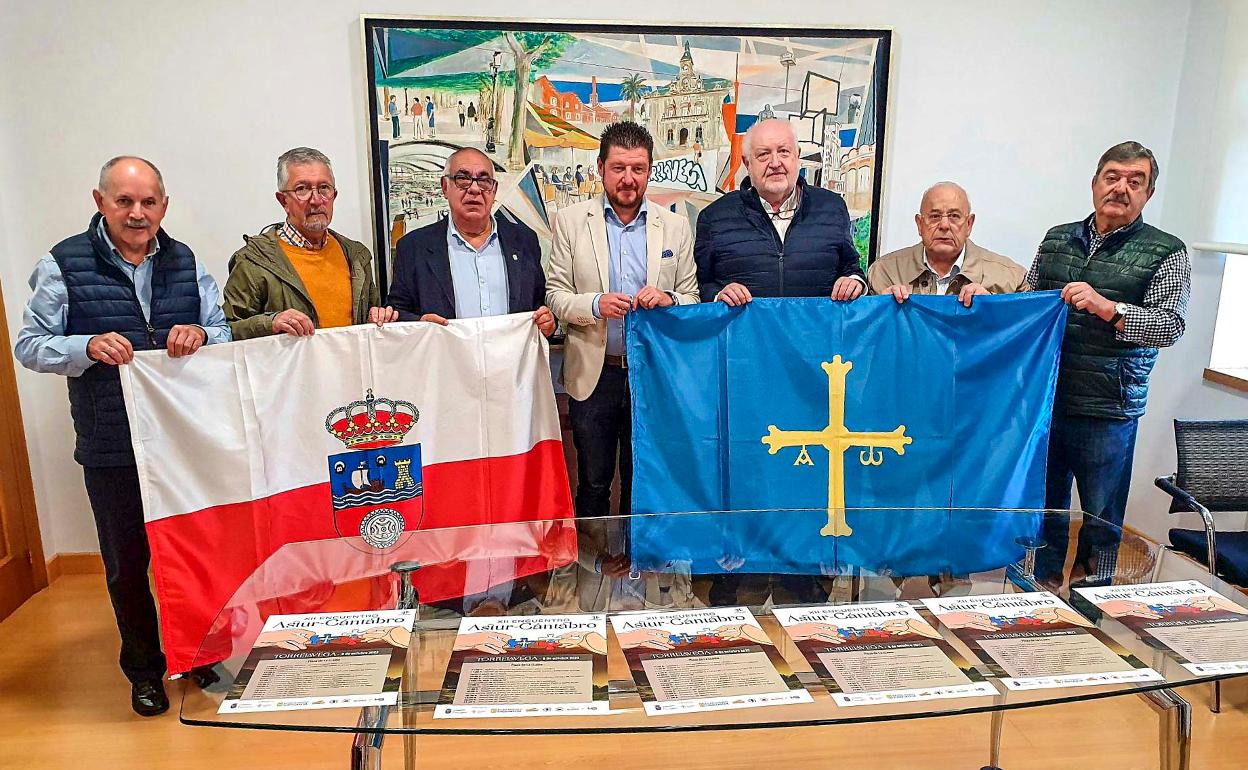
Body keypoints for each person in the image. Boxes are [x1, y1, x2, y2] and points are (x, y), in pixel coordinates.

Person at [13, 156, 230, 715]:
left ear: (164, 205)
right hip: (112, 444)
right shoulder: (63, 263)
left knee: (192, 552)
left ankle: (197, 652)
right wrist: (82, 347)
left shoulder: (186, 263)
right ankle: (145, 669)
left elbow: (225, 330)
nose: (138, 214)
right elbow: (30, 344)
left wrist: (202, 332)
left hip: (183, 443)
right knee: (127, 564)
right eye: (124, 201)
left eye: (149, 202)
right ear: (100, 200)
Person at [1030, 141, 1190, 585]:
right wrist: (993, 302)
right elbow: (1029, 302)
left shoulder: (1165, 251)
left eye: (1134, 182)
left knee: (1101, 519)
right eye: (1113, 177)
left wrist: (1110, 308)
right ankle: (1037, 596)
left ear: (1148, 194)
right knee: (1044, 510)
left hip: (1108, 408)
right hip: (1047, 400)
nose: (1121, 188)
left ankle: (1092, 604)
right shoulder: (1057, 238)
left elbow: (1171, 326)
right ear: (1095, 183)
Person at [546, 121, 700, 518]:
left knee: (644, 481)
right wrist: (595, 304)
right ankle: (592, 571)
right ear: (600, 168)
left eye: (638, 168)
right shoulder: (570, 221)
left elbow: (692, 297)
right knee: (593, 482)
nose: (628, 179)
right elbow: (556, 295)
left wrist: (669, 299)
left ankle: (637, 570)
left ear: (649, 170)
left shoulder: (676, 226)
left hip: (651, 376)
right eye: (618, 168)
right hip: (594, 375)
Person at [222, 147, 396, 338]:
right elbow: (228, 332)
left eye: (324, 188)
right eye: (302, 189)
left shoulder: (356, 256)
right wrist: (270, 323)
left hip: (351, 367)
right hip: (290, 368)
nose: (316, 200)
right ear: (283, 201)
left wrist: (376, 318)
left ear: (333, 196)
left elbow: (366, 319)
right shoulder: (252, 261)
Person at [695, 118, 866, 305]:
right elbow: (700, 285)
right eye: (763, 154)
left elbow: (852, 270)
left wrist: (853, 283)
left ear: (797, 156)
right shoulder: (713, 217)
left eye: (784, 152)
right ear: (747, 163)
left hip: (815, 332)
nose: (775, 163)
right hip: (745, 333)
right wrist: (718, 294)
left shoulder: (832, 207)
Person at [387, 147, 554, 335]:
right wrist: (419, 323)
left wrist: (548, 321)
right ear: (445, 187)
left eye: (484, 180)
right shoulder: (413, 247)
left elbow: (540, 305)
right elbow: (396, 314)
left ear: (494, 190)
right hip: (447, 360)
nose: (474, 189)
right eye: (463, 178)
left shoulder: (524, 241)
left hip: (510, 362)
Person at [869, 181, 1029, 306]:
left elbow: (1029, 333)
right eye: (934, 216)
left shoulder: (1010, 279)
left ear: (969, 224)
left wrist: (993, 309)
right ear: (919, 224)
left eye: (954, 216)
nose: (944, 225)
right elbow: (864, 337)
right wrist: (879, 309)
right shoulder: (885, 273)